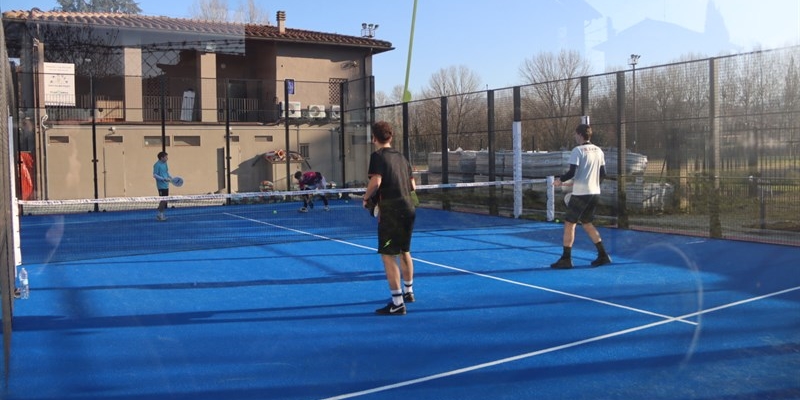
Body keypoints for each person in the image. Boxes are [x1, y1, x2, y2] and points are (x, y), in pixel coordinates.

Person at [363, 121, 417, 315]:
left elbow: (376, 181)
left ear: (374, 139)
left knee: (388, 255)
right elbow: (413, 186)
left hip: (391, 211)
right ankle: (409, 292)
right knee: (404, 250)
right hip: (408, 208)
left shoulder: (377, 156)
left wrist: (366, 197)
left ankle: (397, 303)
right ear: (391, 137)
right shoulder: (402, 158)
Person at [551, 124, 612, 269]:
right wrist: (592, 185)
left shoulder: (577, 151)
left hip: (580, 195)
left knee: (569, 224)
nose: (574, 136)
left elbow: (572, 172)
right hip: (594, 193)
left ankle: (566, 259)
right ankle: (603, 255)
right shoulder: (598, 150)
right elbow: (603, 174)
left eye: (575, 134)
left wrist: (560, 180)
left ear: (579, 134)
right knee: (587, 223)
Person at [153, 151, 172, 221]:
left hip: (166, 185)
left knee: (165, 200)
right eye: (166, 157)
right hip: (161, 186)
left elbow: (166, 172)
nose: (167, 158)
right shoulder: (156, 165)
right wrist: (163, 179)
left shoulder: (165, 164)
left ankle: (160, 213)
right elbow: (154, 175)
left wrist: (171, 178)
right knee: (163, 200)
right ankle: (160, 214)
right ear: (162, 158)